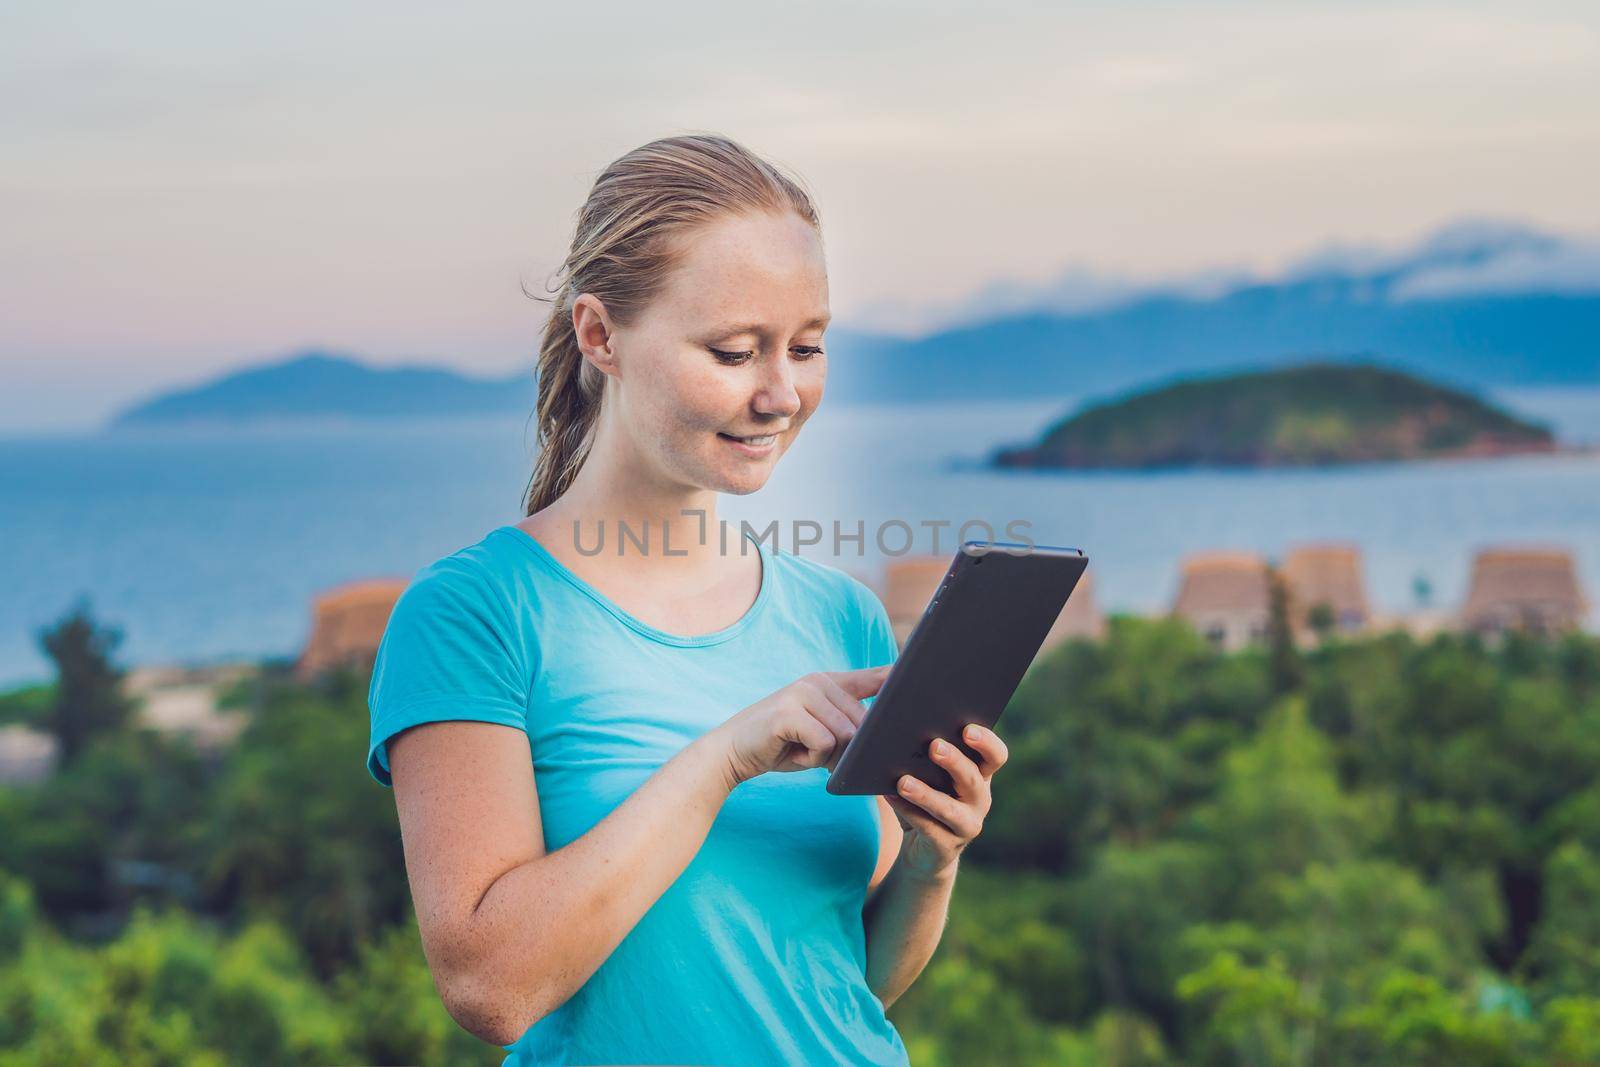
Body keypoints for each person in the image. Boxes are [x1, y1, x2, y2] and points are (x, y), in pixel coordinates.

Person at [365, 133, 1010, 1066]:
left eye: (809, 346)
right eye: (736, 350)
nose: (782, 394)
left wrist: (932, 858)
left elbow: (843, 981)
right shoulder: (476, 615)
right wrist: (723, 759)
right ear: (599, 335)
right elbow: (491, 987)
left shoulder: (838, 616)